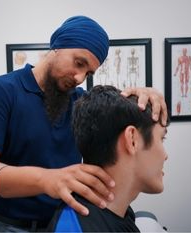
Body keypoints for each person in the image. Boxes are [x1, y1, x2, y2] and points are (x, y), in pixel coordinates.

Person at [0, 15, 167, 232]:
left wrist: (145, 94)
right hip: (7, 226)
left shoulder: (78, 101)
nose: (79, 77)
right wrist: (47, 179)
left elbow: (119, 113)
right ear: (57, 46)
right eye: (79, 63)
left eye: (88, 72)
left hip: (63, 222)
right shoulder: (1, 92)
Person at [47, 85, 169, 232]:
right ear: (132, 140)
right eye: (162, 139)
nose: (165, 155)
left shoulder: (121, 212)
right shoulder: (75, 227)